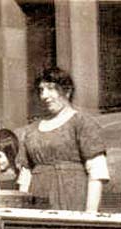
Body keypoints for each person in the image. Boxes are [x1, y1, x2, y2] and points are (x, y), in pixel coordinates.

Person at [16, 67, 110, 212]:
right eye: (41, 90)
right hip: (37, 201)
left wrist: (90, 215)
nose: (44, 95)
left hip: (73, 199)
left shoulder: (82, 122)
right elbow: (25, 175)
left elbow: (97, 172)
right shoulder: (31, 131)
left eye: (51, 88)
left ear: (67, 90)